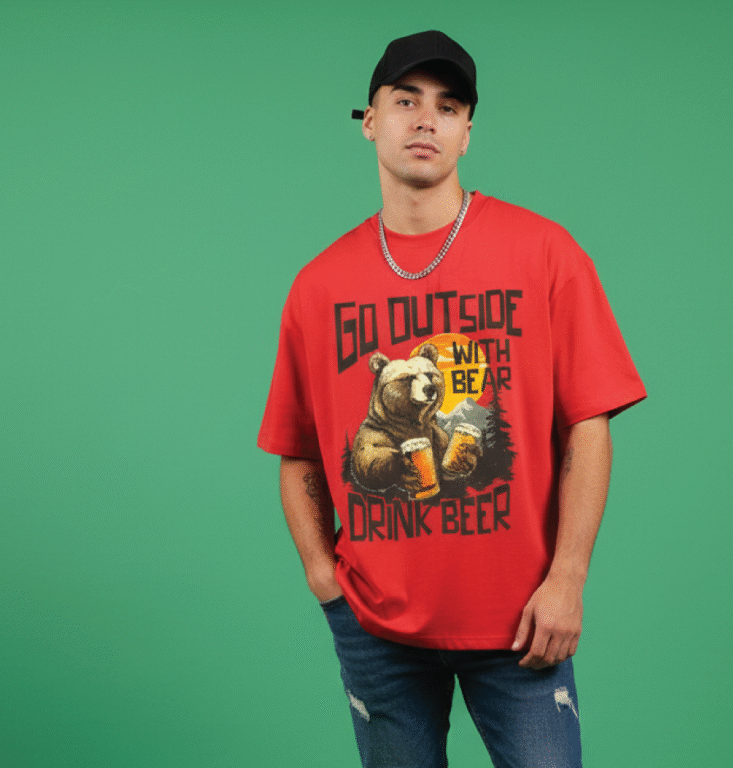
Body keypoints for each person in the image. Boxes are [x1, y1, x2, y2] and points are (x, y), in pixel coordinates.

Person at [257, 30, 646, 768]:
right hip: (376, 627)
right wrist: (325, 581)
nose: (426, 121)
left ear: (467, 132)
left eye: (447, 106)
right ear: (370, 121)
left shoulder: (545, 254)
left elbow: (588, 427)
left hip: (523, 624)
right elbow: (296, 451)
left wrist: (567, 579)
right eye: (406, 101)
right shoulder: (319, 287)